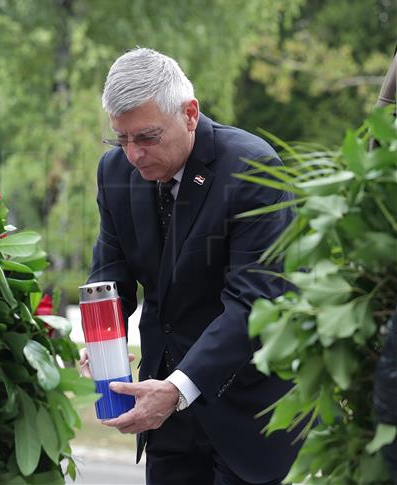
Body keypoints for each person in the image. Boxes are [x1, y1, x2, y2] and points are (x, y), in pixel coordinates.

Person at [81, 47, 302, 484]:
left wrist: (179, 387)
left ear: (189, 114)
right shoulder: (115, 171)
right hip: (163, 415)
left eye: (147, 137)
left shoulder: (252, 168)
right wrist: (100, 335)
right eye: (121, 138)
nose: (133, 155)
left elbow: (253, 302)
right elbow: (110, 271)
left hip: (244, 410)